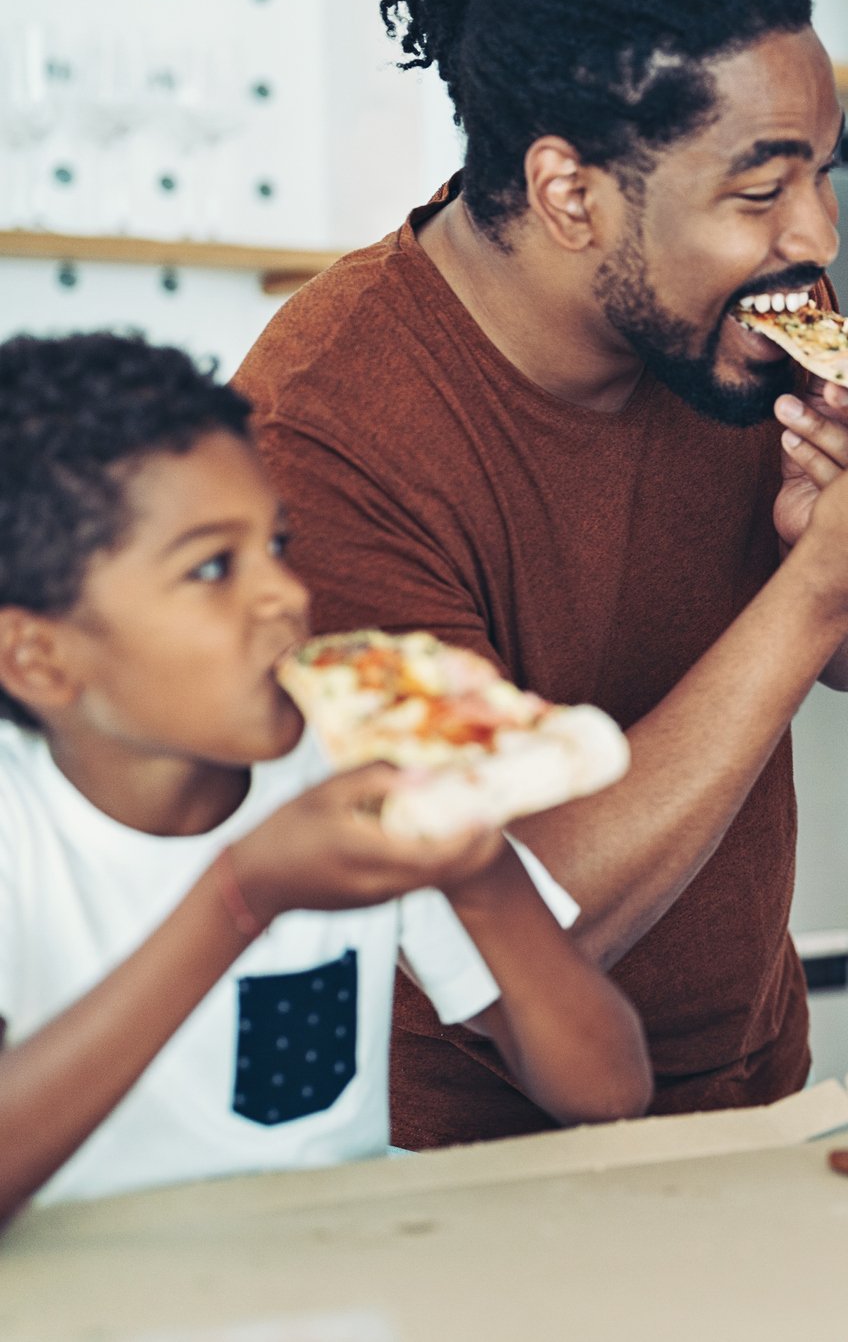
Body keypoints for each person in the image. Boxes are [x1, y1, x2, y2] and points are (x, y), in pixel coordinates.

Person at [235, 0, 848, 1147]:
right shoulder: (322, 432)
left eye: (826, 171)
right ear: (573, 193)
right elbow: (514, 939)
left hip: (756, 1089)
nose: (821, 237)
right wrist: (819, 585)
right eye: (763, 186)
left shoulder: (754, 321)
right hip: (449, 1157)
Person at [0, 334, 652, 1222]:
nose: (286, 596)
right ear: (38, 657)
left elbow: (608, 1092)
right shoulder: (19, 824)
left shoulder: (354, 767)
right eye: (211, 567)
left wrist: (475, 867)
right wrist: (239, 898)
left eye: (276, 544)